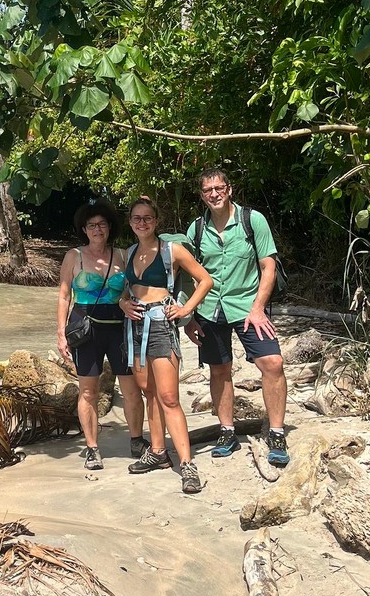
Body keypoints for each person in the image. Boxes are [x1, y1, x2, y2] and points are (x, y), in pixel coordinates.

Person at [183, 167, 290, 467]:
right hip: (209, 309)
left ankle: (277, 433)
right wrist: (188, 316)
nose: (214, 194)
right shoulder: (196, 229)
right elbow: (184, 273)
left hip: (247, 306)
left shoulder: (252, 220)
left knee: (273, 363)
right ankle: (227, 431)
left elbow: (268, 265)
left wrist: (258, 308)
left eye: (219, 188)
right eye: (208, 190)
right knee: (219, 370)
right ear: (202, 195)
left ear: (229, 189)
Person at [119, 196, 214, 495]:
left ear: (156, 221)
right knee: (149, 392)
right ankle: (158, 451)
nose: (142, 223)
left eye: (147, 218)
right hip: (134, 326)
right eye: (137, 218)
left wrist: (185, 311)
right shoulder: (130, 252)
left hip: (161, 324)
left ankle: (186, 464)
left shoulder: (172, 250)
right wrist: (123, 304)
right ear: (130, 221)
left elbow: (205, 280)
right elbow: (123, 290)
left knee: (169, 397)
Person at [57, 200, 146, 471]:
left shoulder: (122, 254)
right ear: (84, 229)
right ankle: (93, 448)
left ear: (110, 227)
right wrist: (61, 333)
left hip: (119, 327)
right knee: (88, 390)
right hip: (85, 329)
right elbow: (63, 296)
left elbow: (134, 289)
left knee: (131, 389)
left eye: (102, 224)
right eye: (92, 225)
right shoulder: (74, 256)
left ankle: (136, 440)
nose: (98, 229)